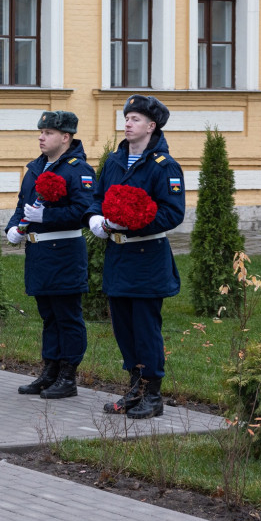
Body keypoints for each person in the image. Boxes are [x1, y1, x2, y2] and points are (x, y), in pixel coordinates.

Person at [86, 95, 184, 419]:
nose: (128, 123)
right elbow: (97, 198)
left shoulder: (164, 166)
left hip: (147, 258)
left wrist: (132, 222)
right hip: (118, 256)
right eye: (126, 118)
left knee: (145, 328)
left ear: (151, 126)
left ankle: (152, 395)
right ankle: (135, 389)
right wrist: (96, 220)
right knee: (124, 329)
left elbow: (172, 213)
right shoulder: (115, 162)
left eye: (136, 119)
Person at [4, 111, 94, 399]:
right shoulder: (37, 168)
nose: (41, 137)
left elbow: (84, 211)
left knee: (67, 316)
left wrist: (47, 215)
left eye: (48, 133)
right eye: (41, 132)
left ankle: (68, 376)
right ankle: (49, 371)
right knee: (49, 317)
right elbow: (23, 205)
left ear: (65, 137)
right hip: (39, 252)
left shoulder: (77, 169)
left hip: (64, 253)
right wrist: (13, 228)